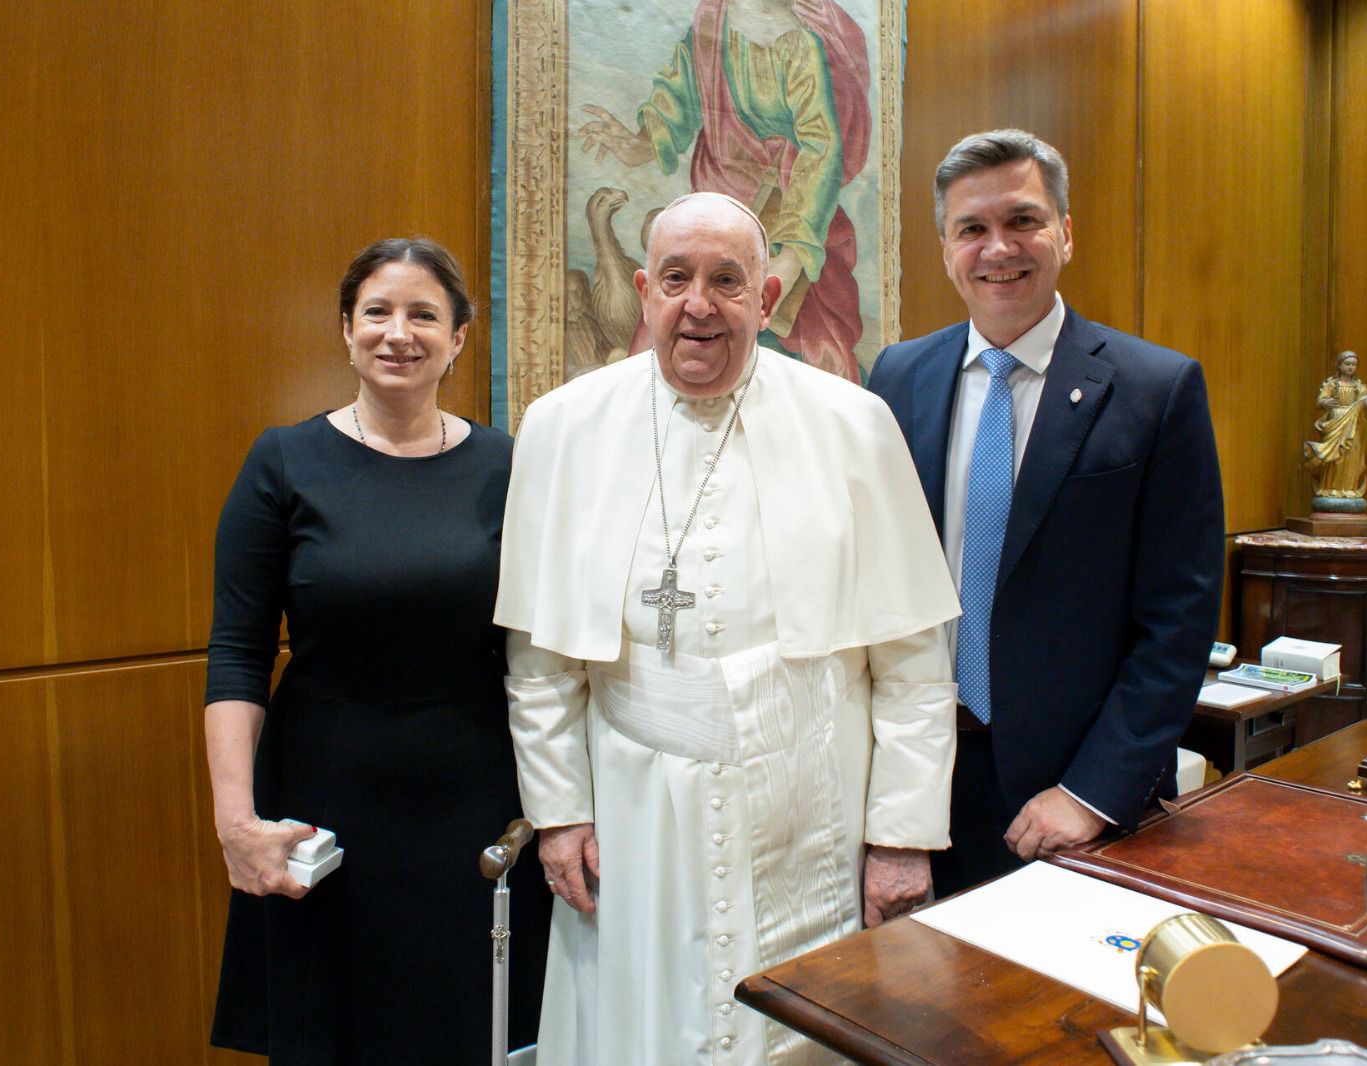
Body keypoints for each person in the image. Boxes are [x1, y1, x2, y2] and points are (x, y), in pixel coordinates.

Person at [496, 191, 959, 1065]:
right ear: (643, 289)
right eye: (676, 278)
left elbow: (911, 662)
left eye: (726, 280)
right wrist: (558, 813)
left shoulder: (854, 425)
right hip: (635, 814)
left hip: (809, 806)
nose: (698, 305)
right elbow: (541, 658)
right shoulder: (563, 428)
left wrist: (899, 837)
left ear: (770, 298)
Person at [202, 238, 548, 1062]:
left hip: (474, 802)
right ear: (346, 331)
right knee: (335, 1031)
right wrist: (235, 821)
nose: (400, 332)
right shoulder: (282, 463)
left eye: (424, 314)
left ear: (459, 337)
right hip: (324, 803)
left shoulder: (510, 466)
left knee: (471, 1025)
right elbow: (238, 656)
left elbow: (542, 652)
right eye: (378, 312)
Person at [869, 130, 1225, 893]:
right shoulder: (897, 378)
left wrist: (1094, 791)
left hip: (1072, 802)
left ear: (1065, 232)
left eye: (1023, 220)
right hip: (915, 781)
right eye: (972, 229)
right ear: (945, 249)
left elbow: (1180, 619)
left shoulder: (1155, 389)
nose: (999, 247)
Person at [577, 0, 872, 381]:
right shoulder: (713, 19)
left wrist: (794, 254)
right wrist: (641, 142)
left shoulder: (801, 40)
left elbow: (821, 148)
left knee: (804, 348)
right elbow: (680, 94)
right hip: (719, 197)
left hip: (792, 210)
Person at [1303, 350, 1367, 503]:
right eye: (1347, 364)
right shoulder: (1332, 384)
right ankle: (1330, 488)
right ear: (1339, 366)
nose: (1351, 367)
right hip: (1336, 421)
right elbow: (1320, 401)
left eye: (1354, 364)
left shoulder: (1359, 387)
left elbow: (1366, 404)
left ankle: (1348, 488)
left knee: (1350, 455)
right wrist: (1326, 402)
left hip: (1354, 425)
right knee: (1335, 455)